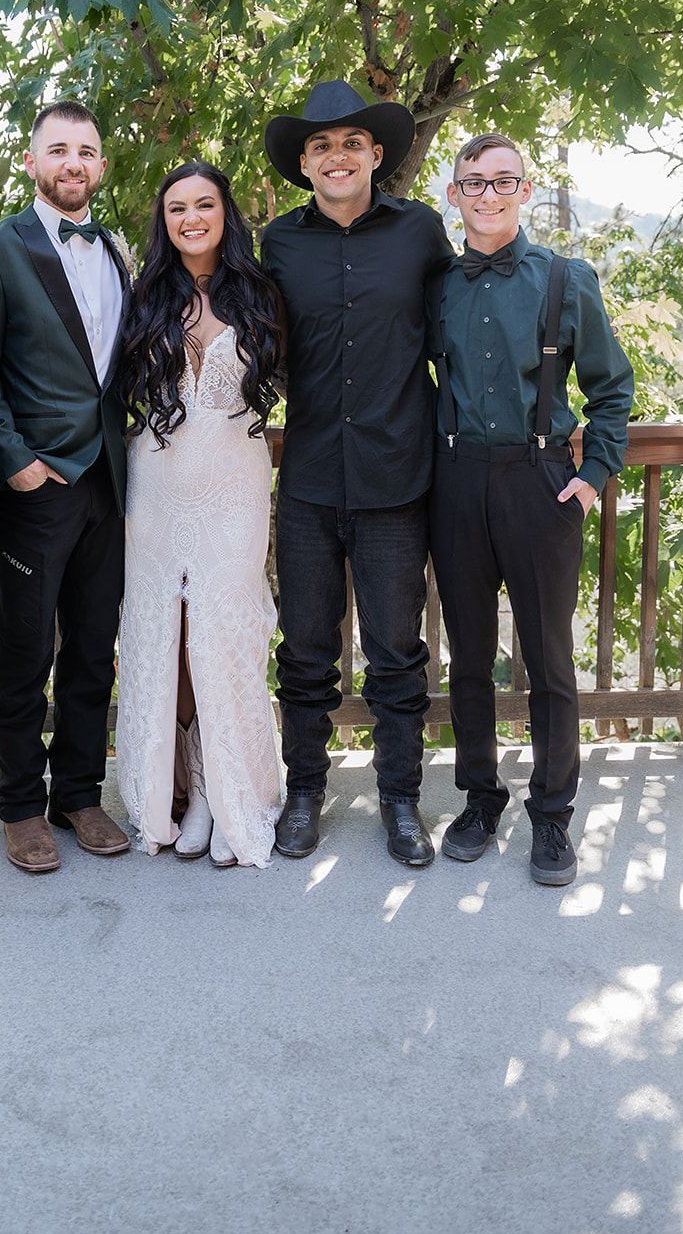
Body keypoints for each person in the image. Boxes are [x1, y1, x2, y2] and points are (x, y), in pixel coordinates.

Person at [429, 133, 634, 885]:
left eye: (501, 181)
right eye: (472, 183)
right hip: (454, 482)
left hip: (540, 483)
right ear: (452, 196)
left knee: (546, 659)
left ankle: (551, 816)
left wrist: (594, 472)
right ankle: (480, 800)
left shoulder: (563, 280)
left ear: (523, 191)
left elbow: (610, 387)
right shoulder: (439, 284)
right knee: (470, 656)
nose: (486, 194)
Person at [260, 80, 453, 866]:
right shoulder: (278, 243)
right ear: (303, 165)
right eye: (319, 146)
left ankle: (400, 802)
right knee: (304, 651)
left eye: (349, 143)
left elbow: (454, 334)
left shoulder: (421, 234)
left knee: (395, 653)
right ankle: (303, 791)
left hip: (395, 482)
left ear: (375, 155)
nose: (335, 156)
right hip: (306, 481)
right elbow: (252, 349)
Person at [0, 101, 131, 874]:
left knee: (94, 651)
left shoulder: (120, 251)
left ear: (99, 166)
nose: (72, 162)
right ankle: (22, 805)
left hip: (111, 484)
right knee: (25, 652)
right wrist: (13, 456)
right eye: (56, 149)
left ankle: (79, 794)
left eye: (86, 151)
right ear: (32, 162)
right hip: (35, 483)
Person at [116, 162, 285, 868]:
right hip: (156, 484)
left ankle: (226, 793)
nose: (191, 218)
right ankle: (176, 794)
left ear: (224, 213)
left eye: (204, 204)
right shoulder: (144, 294)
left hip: (235, 487)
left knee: (226, 632)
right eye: (177, 207)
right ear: (164, 219)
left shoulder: (260, 293)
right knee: (166, 636)